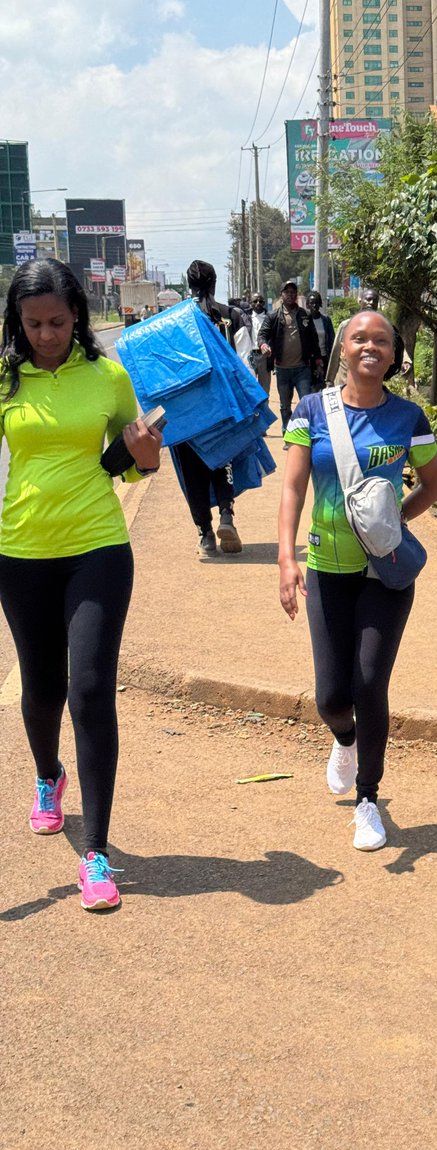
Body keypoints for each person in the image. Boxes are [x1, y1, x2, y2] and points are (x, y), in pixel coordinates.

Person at [0, 259, 162, 911]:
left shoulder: (108, 375)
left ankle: (96, 852)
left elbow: (137, 468)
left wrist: (145, 446)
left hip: (97, 545)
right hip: (21, 547)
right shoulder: (5, 377)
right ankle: (48, 776)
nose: (46, 335)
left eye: (58, 323)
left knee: (90, 688)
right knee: (40, 689)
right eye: (33, 323)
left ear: (77, 316)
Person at [278, 310, 437, 852]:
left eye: (381, 340)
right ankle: (344, 739)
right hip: (327, 568)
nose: (370, 346)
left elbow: (432, 485)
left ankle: (368, 800)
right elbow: (293, 490)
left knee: (369, 683)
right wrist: (287, 558)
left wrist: (391, 525)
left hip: (385, 571)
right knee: (331, 696)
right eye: (359, 338)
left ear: (394, 355)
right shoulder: (310, 411)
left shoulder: (409, 417)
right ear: (342, 350)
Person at [171, 259, 244, 559]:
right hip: (222, 406)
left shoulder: (174, 319)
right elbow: (244, 364)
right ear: (214, 283)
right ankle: (226, 514)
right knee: (222, 461)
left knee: (192, 473)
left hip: (187, 411)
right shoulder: (230, 316)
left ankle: (205, 534)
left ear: (188, 284)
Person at [258, 281, 322, 434]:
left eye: (293, 292)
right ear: (282, 295)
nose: (290, 295)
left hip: (303, 368)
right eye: (287, 292)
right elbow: (262, 334)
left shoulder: (304, 314)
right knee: (285, 405)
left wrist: (318, 359)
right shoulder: (273, 315)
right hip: (283, 369)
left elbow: (314, 339)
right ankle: (288, 433)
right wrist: (263, 345)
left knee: (306, 402)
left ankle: (306, 433)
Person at [305, 290, 335, 389]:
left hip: (325, 357)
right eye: (311, 303)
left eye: (316, 303)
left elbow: (332, 339)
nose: (314, 305)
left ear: (320, 304)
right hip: (310, 360)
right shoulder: (305, 321)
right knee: (312, 386)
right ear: (307, 305)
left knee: (325, 385)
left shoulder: (326, 320)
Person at [248, 292, 271, 398]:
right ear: (250, 303)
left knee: (264, 389)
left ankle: (265, 412)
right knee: (250, 387)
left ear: (264, 303)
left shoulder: (270, 318)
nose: (258, 303)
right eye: (255, 301)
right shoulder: (245, 318)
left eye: (261, 301)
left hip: (265, 357)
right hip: (250, 356)